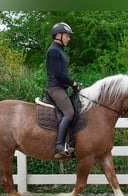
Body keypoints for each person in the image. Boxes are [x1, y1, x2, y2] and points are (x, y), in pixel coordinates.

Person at [46, 22, 79, 158]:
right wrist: (72, 83)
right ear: (58, 35)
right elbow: (58, 73)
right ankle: (59, 145)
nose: (69, 38)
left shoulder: (59, 50)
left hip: (61, 87)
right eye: (67, 36)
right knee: (70, 112)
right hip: (55, 88)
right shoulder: (54, 51)